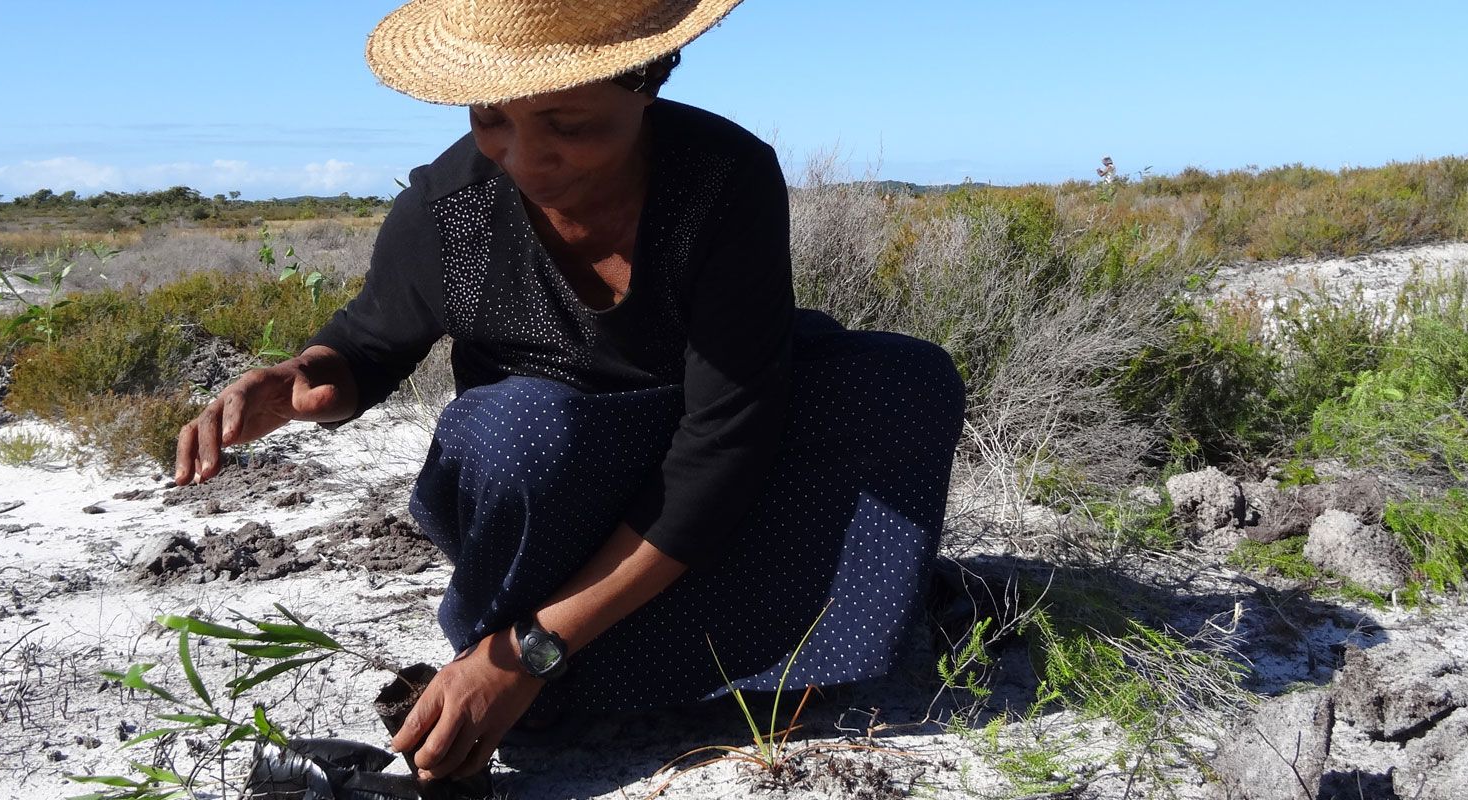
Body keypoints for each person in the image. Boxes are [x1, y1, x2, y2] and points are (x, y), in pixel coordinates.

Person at [173, 0, 966, 785]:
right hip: (561, 469)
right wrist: (302, 380)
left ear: (647, 80)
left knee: (902, 382)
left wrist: (532, 651)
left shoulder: (723, 178)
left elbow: (723, 441)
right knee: (523, 428)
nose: (525, 156)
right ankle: (507, 668)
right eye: (492, 118)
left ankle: (669, 658)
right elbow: (368, 343)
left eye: (570, 124)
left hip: (710, 441)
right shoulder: (450, 210)